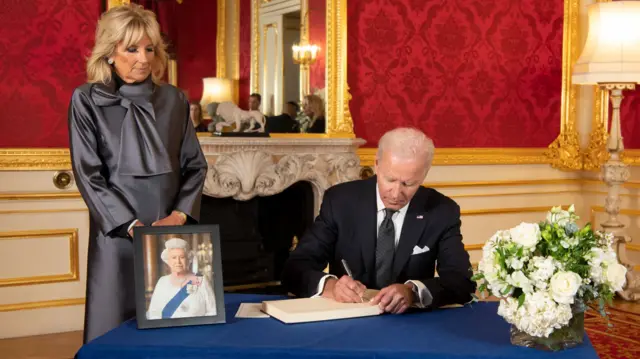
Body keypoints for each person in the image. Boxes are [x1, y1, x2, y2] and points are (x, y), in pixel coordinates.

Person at [67, 4, 208, 343]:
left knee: (172, 322)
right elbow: (89, 172)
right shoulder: (86, 100)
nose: (143, 58)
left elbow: (195, 165)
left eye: (149, 48)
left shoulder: (174, 100)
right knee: (111, 326)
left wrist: (177, 217)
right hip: (115, 233)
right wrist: (131, 226)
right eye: (131, 49)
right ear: (110, 52)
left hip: (169, 231)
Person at [282, 127, 475, 314]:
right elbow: (295, 268)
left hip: (410, 324)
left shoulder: (442, 210)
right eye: (390, 179)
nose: (396, 193)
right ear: (376, 164)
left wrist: (413, 291)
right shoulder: (340, 201)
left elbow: (461, 281)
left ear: (424, 174)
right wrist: (330, 286)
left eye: (409, 183)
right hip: (348, 318)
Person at [147, 238, 217, 319]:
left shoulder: (201, 280)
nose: (178, 261)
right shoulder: (162, 282)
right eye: (174, 257)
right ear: (168, 261)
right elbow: (153, 313)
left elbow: (212, 311)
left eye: (182, 257)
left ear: (188, 259)